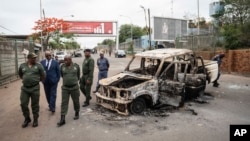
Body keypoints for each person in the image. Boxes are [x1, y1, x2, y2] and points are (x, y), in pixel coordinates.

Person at [18, 53, 45, 128]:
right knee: (23, 104)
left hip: (35, 88)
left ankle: (35, 119)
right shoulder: (22, 65)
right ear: (29, 58)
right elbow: (20, 74)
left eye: (35, 58)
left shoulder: (38, 65)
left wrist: (36, 81)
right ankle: (27, 118)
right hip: (25, 88)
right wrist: (26, 80)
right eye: (33, 58)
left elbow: (43, 76)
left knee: (35, 105)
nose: (35, 59)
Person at [57, 55, 80, 127]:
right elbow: (62, 75)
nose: (65, 61)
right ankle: (62, 119)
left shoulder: (76, 66)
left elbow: (78, 76)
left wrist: (74, 81)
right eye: (64, 60)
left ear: (70, 60)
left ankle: (77, 112)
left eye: (66, 60)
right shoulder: (62, 67)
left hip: (74, 88)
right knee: (64, 103)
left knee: (76, 101)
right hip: (65, 88)